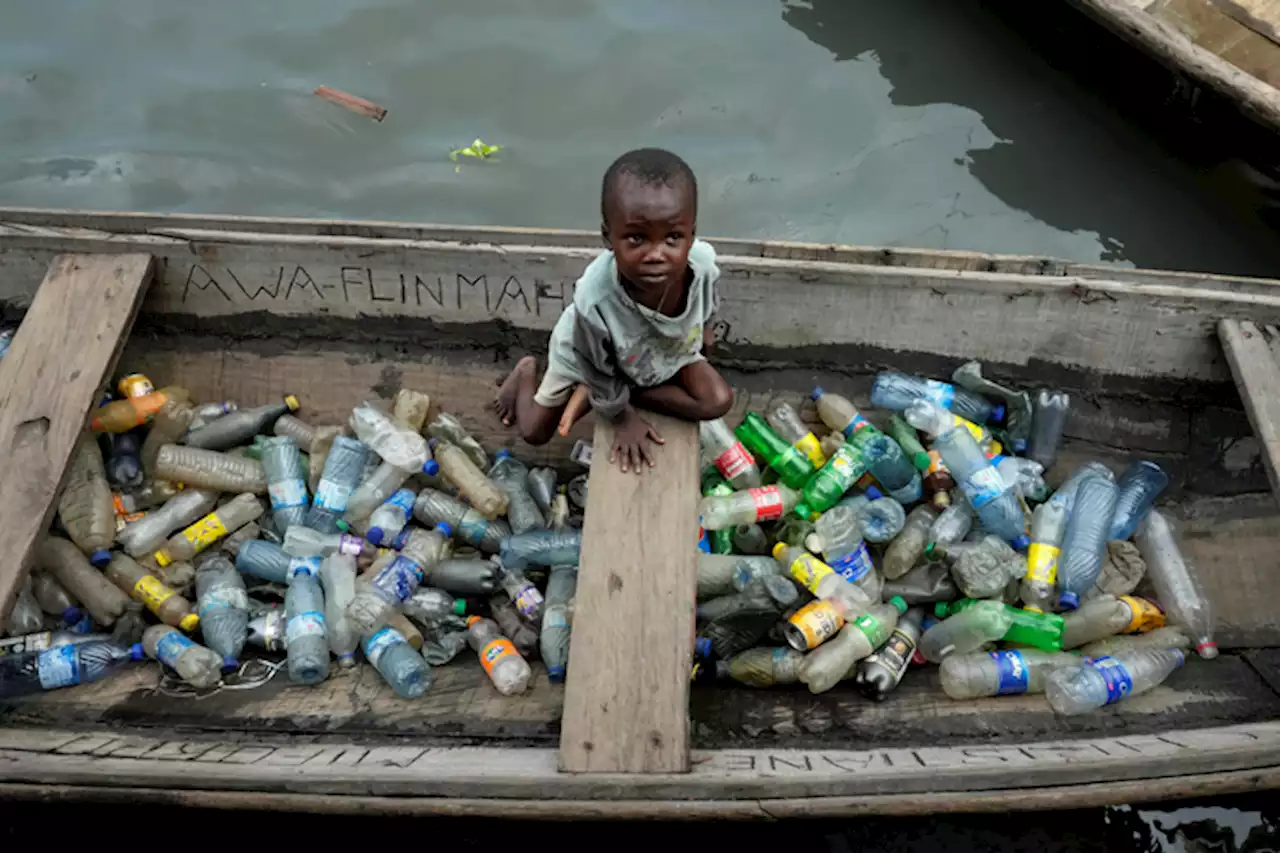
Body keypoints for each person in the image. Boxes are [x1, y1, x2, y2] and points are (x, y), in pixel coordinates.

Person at [495, 148, 733, 474]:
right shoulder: (594, 300)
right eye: (637, 238)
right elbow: (595, 368)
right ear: (608, 237)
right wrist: (622, 418)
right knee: (534, 431)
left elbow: (709, 298)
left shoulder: (702, 264)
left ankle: (625, 390)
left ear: (692, 234)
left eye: (673, 238)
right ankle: (525, 372)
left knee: (717, 402)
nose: (656, 254)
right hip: (589, 354)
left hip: (660, 350)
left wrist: (705, 325)